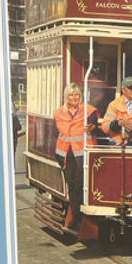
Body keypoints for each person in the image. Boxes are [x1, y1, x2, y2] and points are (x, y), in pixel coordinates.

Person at [54, 83, 99, 229]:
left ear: (80, 96)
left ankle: (79, 220)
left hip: (82, 155)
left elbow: (94, 125)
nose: (74, 98)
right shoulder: (58, 112)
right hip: (66, 155)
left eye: (76, 95)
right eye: (71, 95)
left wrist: (92, 127)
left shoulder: (89, 111)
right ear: (66, 97)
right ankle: (74, 218)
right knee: (72, 187)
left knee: (80, 186)